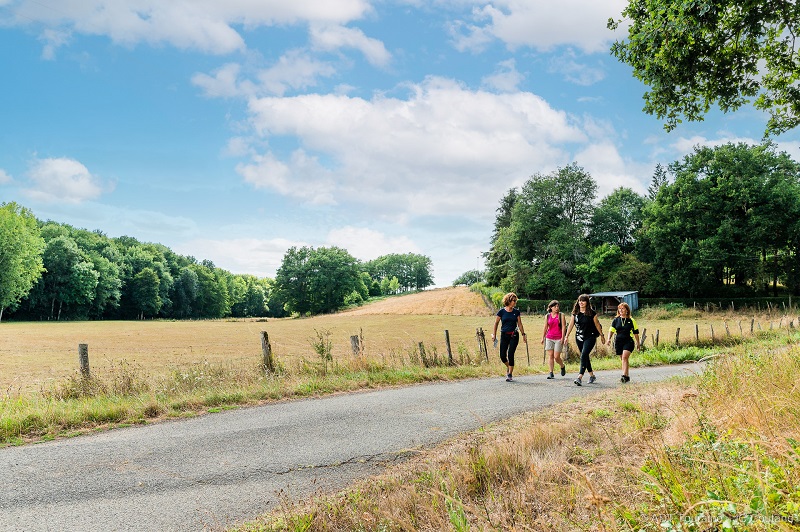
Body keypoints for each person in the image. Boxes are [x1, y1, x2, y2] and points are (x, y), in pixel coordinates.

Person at [564, 294, 605, 386]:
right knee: (585, 356)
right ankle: (592, 375)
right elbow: (571, 325)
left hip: (590, 337)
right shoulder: (575, 313)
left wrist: (602, 335)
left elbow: (597, 324)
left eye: (583, 301)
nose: (581, 302)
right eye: (579, 301)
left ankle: (579, 377)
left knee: (584, 355)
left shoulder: (592, 313)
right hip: (579, 337)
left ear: (587, 302)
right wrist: (566, 336)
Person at [491, 292, 527, 382]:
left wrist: (523, 334)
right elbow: (496, 323)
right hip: (504, 335)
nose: (515, 302)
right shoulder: (501, 312)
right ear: (508, 301)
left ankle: (510, 374)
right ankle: (509, 366)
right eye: (513, 301)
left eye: (515, 301)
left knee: (511, 354)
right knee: (502, 355)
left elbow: (520, 324)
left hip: (514, 335)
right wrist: (494, 334)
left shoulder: (516, 312)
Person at [606, 302, 640, 383]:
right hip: (619, 341)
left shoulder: (631, 320)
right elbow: (611, 330)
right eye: (619, 309)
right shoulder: (616, 320)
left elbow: (636, 333)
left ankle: (624, 375)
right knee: (623, 359)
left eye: (623, 308)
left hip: (629, 341)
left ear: (627, 310)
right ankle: (627, 376)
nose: (621, 310)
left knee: (625, 357)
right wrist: (609, 339)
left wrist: (638, 343)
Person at [541, 300, 566, 379]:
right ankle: (551, 373)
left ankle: (562, 366)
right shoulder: (547, 316)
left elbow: (564, 327)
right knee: (551, 355)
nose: (557, 308)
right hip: (549, 337)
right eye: (555, 306)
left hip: (558, 338)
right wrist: (543, 337)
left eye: (558, 306)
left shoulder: (561, 315)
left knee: (556, 356)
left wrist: (563, 337)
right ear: (551, 307)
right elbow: (545, 327)